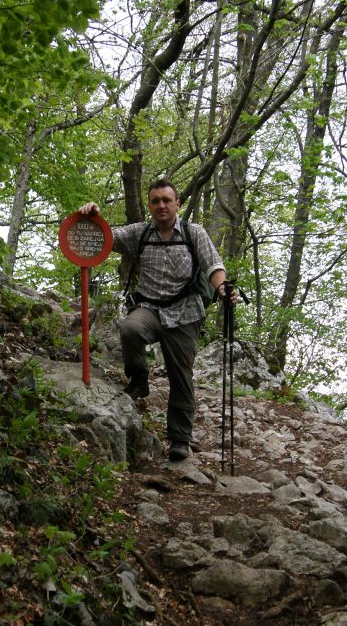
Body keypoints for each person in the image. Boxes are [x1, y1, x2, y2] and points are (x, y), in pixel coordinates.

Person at [79, 178, 236, 461]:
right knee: (130, 329)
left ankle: (179, 439)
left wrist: (222, 288)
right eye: (155, 201)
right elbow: (105, 238)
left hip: (185, 313)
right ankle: (139, 379)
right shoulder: (140, 232)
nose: (161, 205)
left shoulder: (193, 233)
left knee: (181, 376)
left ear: (177, 204)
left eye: (166, 200)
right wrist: (94, 216)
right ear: (149, 205)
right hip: (148, 308)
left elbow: (214, 264)